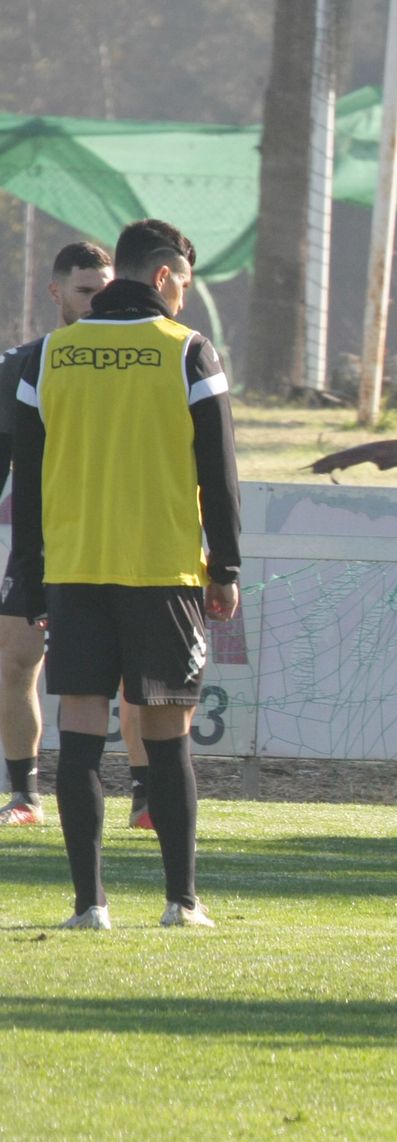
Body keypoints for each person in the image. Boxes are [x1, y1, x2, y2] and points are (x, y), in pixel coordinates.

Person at [9, 218, 241, 930]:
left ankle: (90, 906)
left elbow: (28, 483)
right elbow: (220, 472)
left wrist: (30, 578)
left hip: (76, 574)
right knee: (165, 737)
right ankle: (182, 901)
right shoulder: (188, 352)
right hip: (162, 572)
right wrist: (224, 566)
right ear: (166, 279)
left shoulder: (44, 357)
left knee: (79, 734)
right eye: (186, 288)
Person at [0, 243, 154, 830]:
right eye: (85, 291)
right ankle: (24, 796)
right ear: (56, 293)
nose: (95, 302)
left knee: (132, 675)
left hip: (121, 543)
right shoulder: (23, 365)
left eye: (104, 290)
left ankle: (145, 799)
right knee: (15, 660)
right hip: (43, 547)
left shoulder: (144, 360)